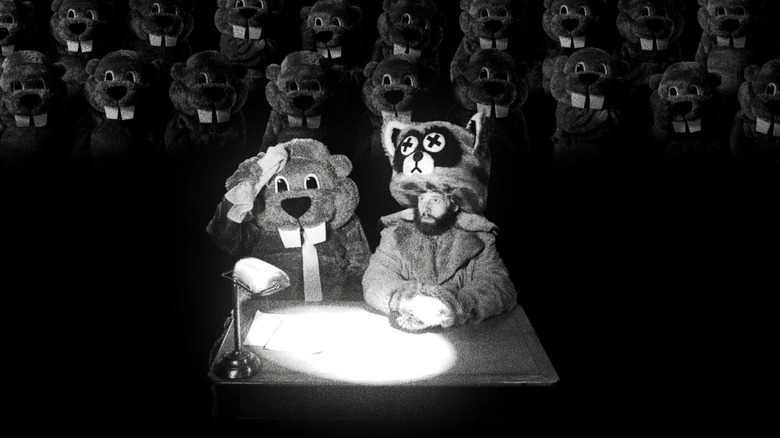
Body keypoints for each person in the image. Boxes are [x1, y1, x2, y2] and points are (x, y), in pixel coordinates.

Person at [362, 114, 517, 332]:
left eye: (435, 199)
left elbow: (500, 287)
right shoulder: (395, 235)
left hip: (466, 339)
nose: (425, 206)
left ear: (454, 204)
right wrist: (406, 300)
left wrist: (452, 307)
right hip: (404, 335)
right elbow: (376, 278)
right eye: (421, 198)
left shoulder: (480, 240)